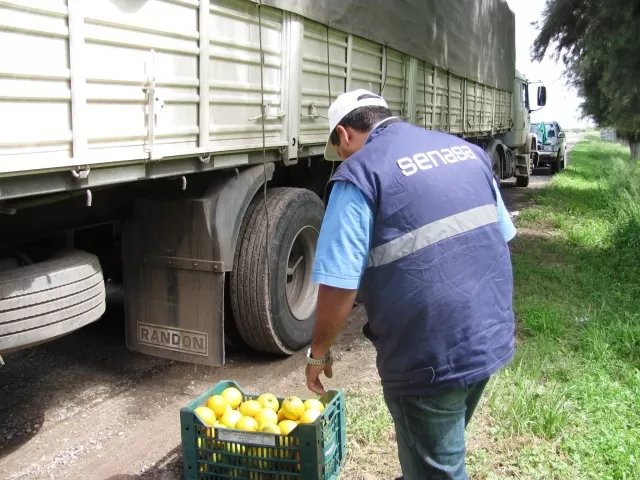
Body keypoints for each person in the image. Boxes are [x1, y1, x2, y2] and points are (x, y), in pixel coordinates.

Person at [304, 89, 517, 480]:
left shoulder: (358, 174)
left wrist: (318, 354)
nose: (345, 158)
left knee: (438, 468)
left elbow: (338, 285)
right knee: (436, 451)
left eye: (340, 149)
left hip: (430, 355)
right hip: (490, 331)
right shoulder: (465, 151)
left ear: (343, 134)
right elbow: (501, 235)